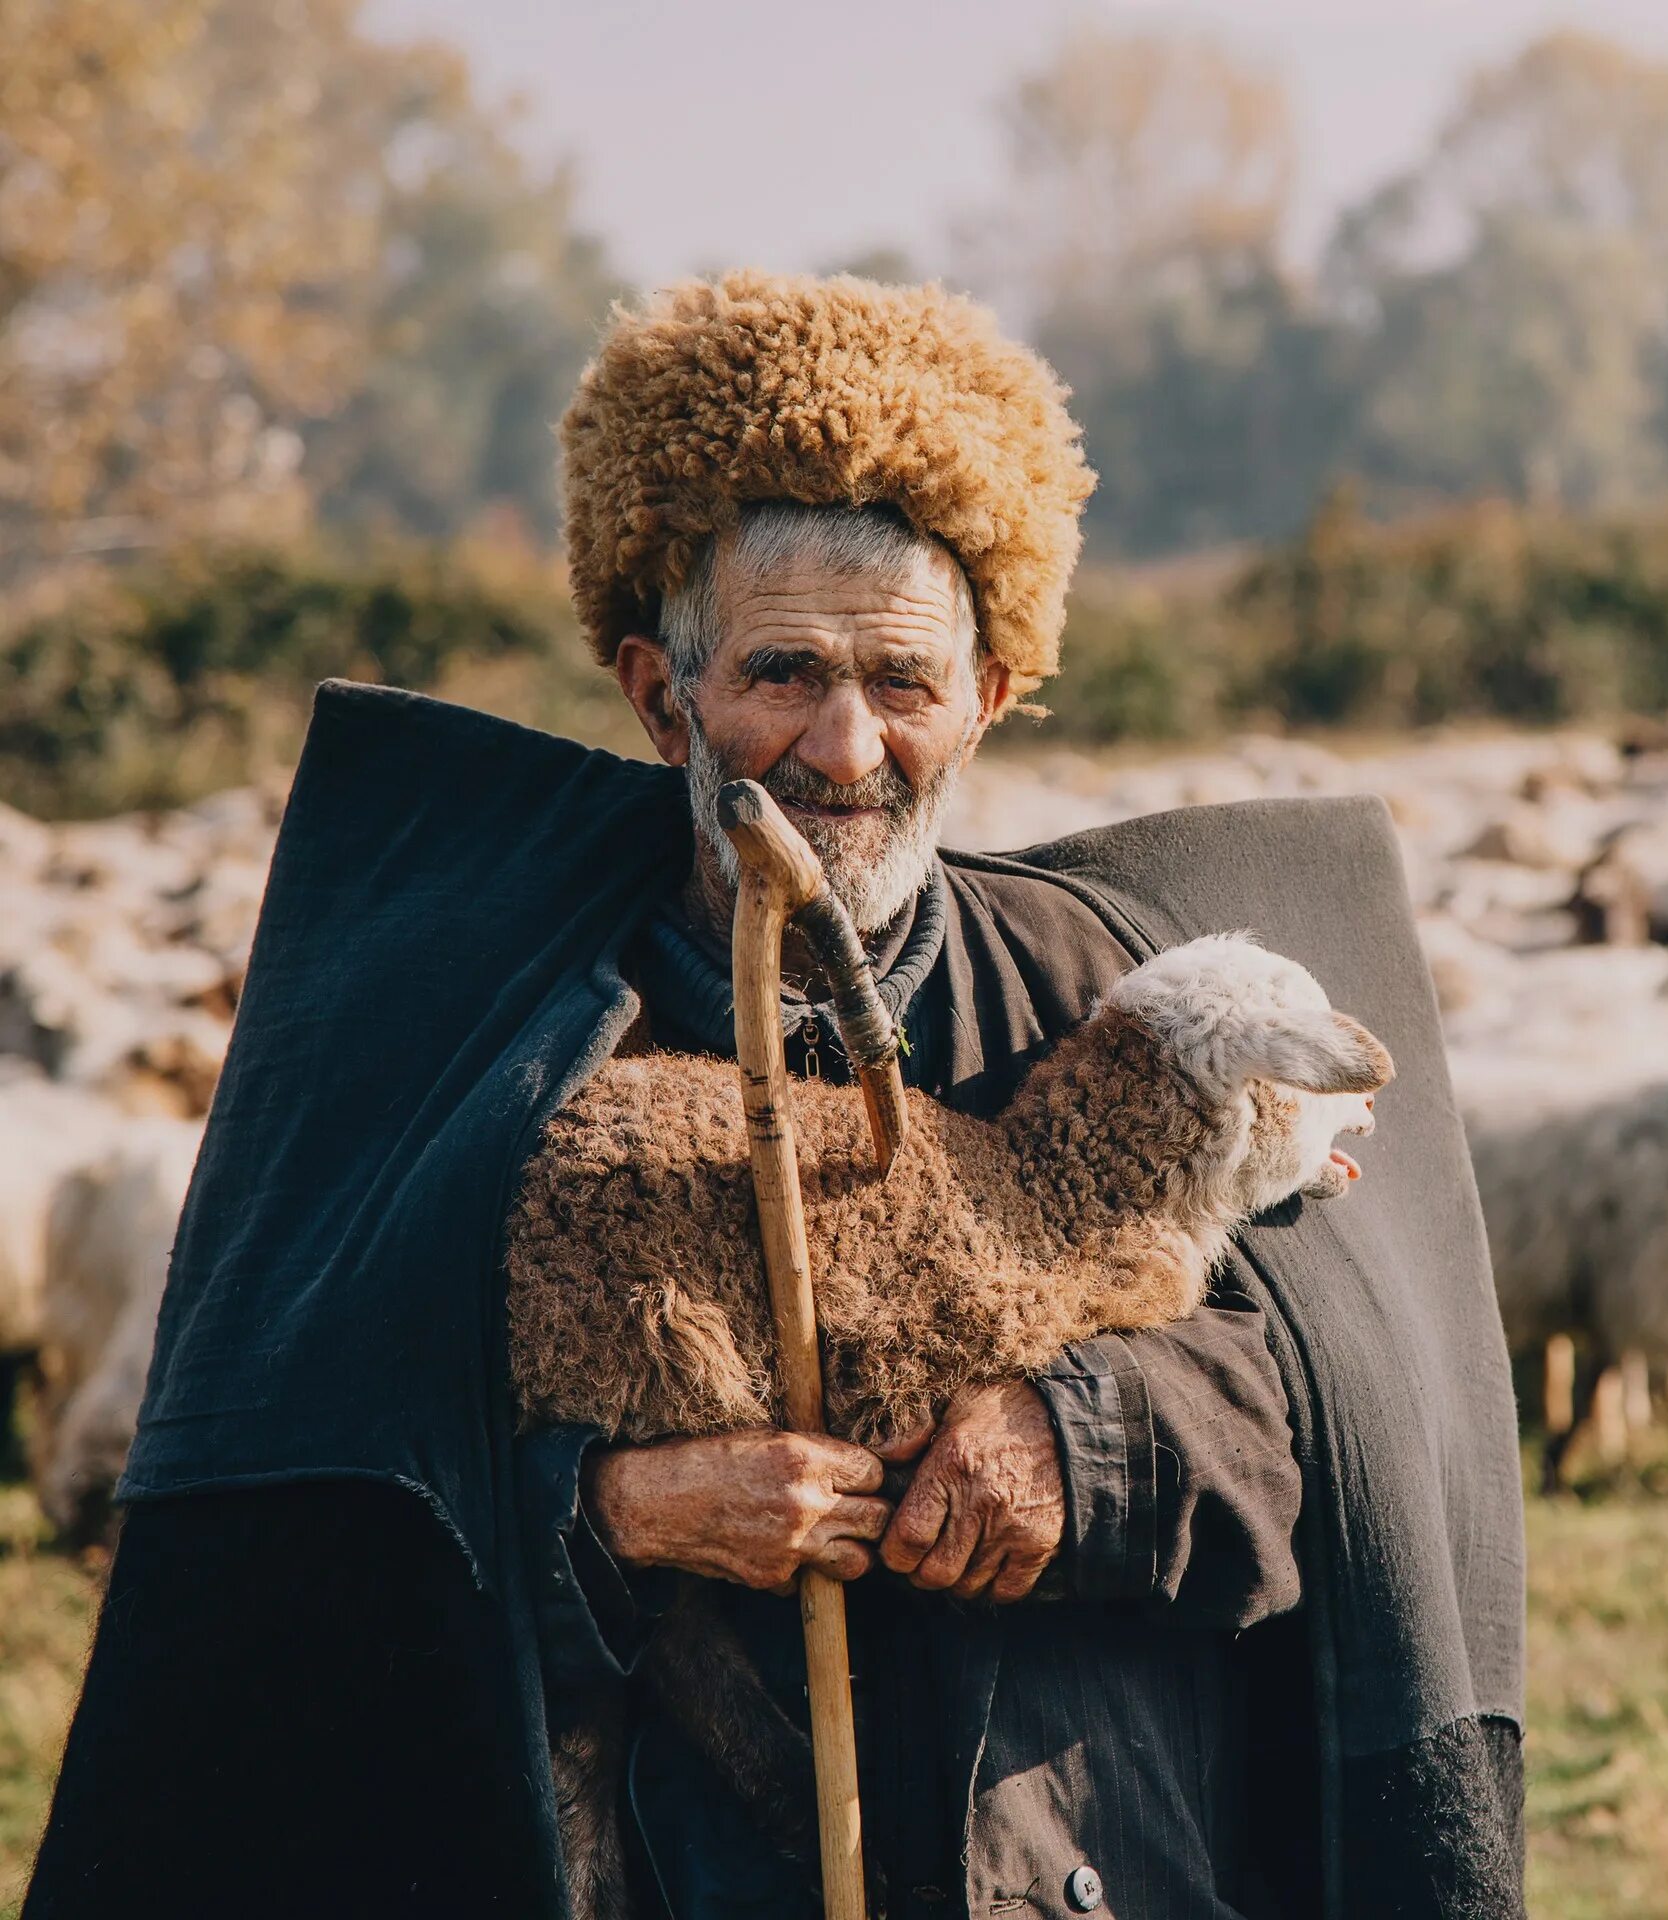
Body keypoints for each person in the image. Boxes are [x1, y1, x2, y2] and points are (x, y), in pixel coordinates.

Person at [26, 273, 1526, 1920]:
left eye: (904, 680)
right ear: (660, 692)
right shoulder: (489, 1039)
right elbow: (322, 1500)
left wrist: (1078, 1444)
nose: (845, 748)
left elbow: (1330, 1420)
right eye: (782, 673)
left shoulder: (1116, 1015)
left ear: (992, 696)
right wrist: (603, 1514)